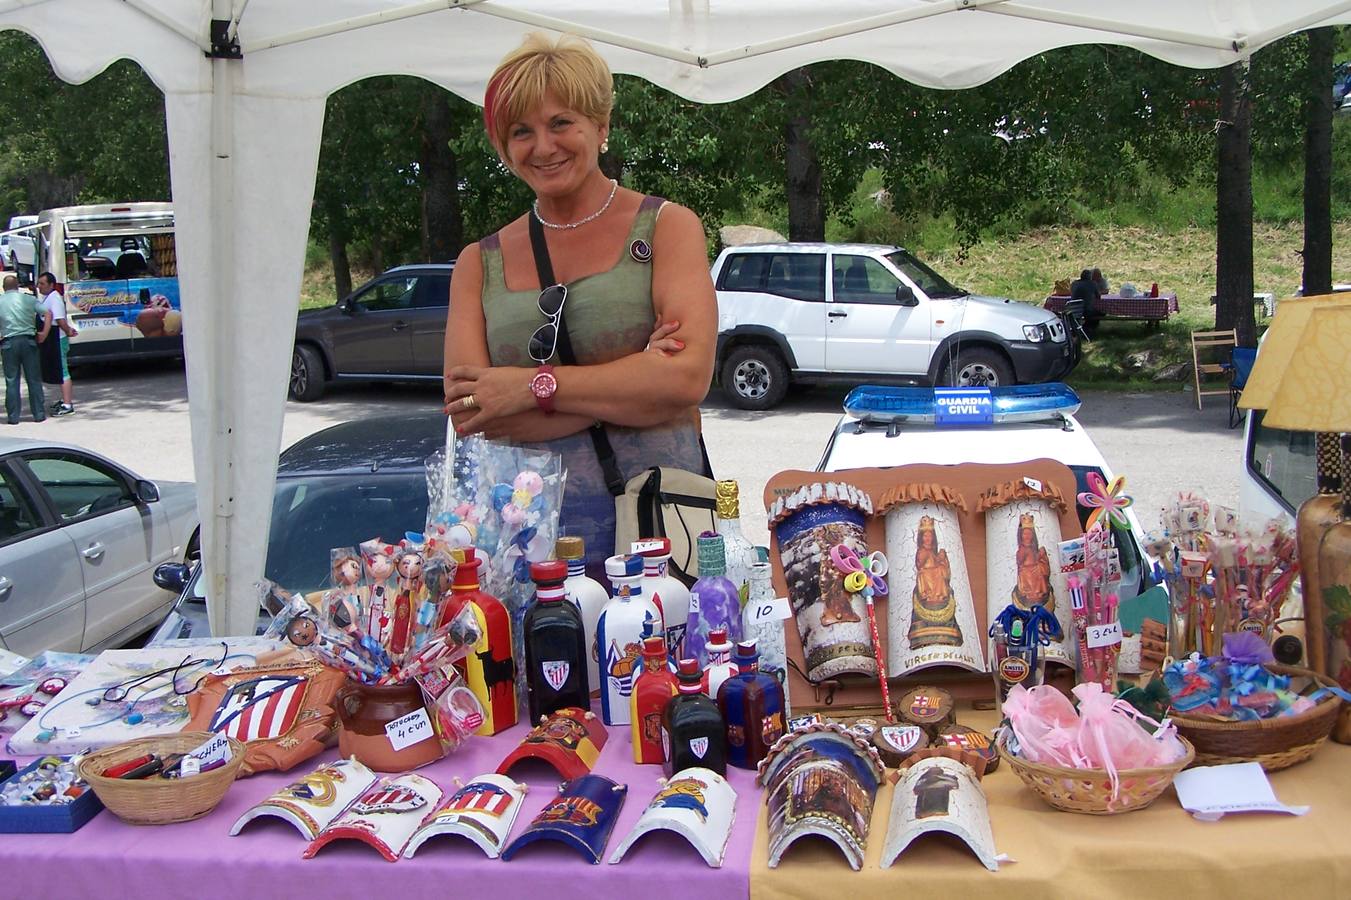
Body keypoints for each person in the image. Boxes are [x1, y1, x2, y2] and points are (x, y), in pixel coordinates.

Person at [443, 33, 716, 577]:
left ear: (601, 125)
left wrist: (526, 388)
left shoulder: (669, 227)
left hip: (665, 524)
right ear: (504, 147)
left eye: (561, 122)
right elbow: (474, 413)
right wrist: (636, 383)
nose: (543, 146)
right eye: (521, 131)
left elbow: (685, 379)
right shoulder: (479, 262)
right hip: (529, 539)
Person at [0, 274, 48, 423]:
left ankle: (13, 417)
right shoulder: (29, 299)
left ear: (3, 287)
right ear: (17, 286)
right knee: (33, 379)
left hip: (9, 342)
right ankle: (38, 414)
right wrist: (44, 333)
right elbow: (47, 312)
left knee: (12, 380)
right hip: (29, 341)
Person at [36, 272, 75, 416]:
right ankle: (64, 399)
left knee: (63, 370)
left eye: (42, 284)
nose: (39, 286)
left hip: (58, 338)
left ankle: (67, 404)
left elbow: (60, 320)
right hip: (53, 338)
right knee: (59, 370)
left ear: (51, 285)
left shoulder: (55, 299)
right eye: (38, 283)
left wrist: (68, 331)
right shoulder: (48, 298)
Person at [1068, 268, 1101, 336]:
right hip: (1087, 310)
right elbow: (1098, 297)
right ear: (1090, 277)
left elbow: (1071, 293)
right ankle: (1088, 328)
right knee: (1101, 314)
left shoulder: (1074, 283)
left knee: (1093, 313)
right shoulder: (1092, 283)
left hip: (1074, 310)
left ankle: (1084, 328)